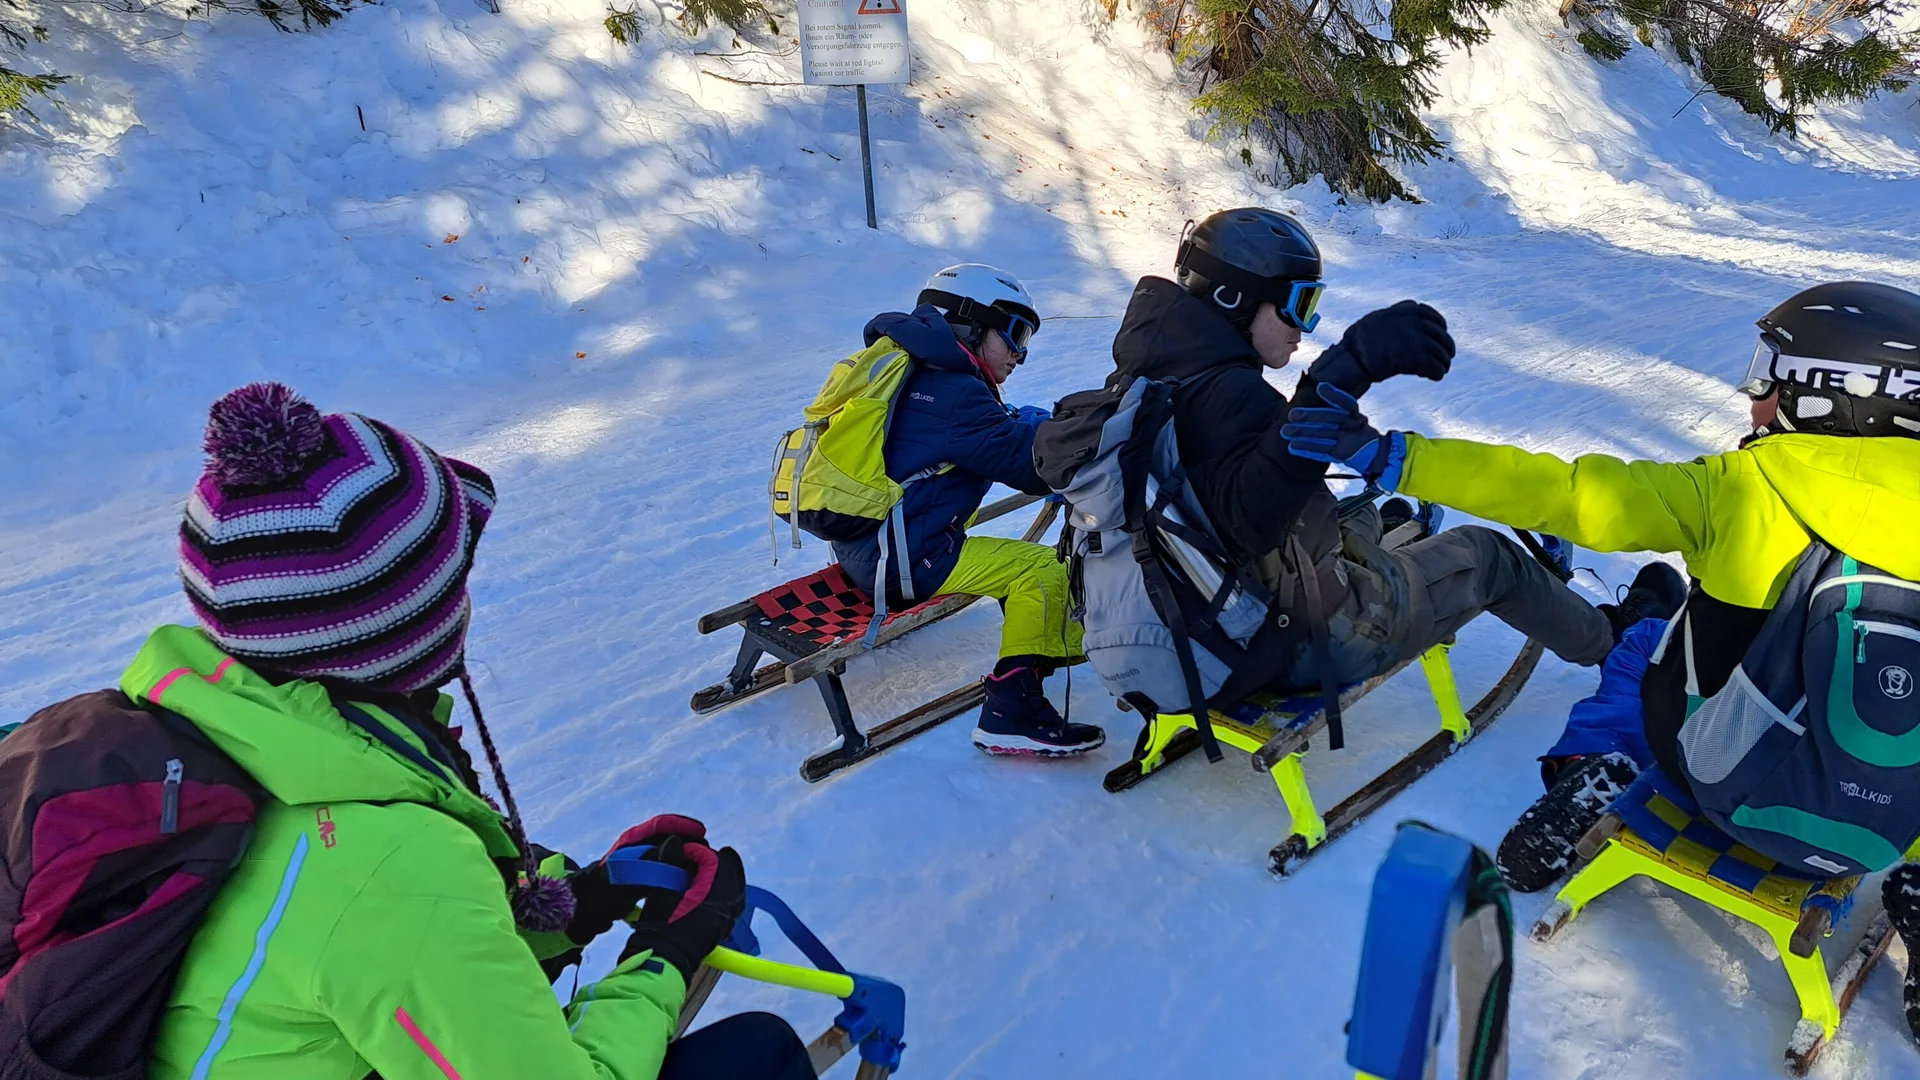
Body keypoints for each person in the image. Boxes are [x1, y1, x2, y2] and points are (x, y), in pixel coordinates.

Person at [57, 383, 815, 1079]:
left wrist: (580, 900)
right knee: (761, 1055)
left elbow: (377, 950)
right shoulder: (387, 864)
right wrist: (664, 956)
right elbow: (394, 917)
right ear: (415, 626)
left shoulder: (208, 737)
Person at [1280, 281, 1920, 906]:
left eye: (1768, 379)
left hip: (1727, 784)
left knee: (1644, 644)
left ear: (1824, 394)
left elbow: (1572, 494)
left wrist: (1395, 457)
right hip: (1885, 829)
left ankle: (1591, 761)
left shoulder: (1741, 489)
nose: (1752, 396)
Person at [1104, 208, 1668, 716]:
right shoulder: (1233, 396)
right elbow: (1252, 522)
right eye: (1298, 304)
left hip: (1184, 629)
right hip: (1286, 643)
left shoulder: (1137, 383)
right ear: (1235, 298)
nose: (1303, 328)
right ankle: (1613, 643)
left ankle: (1395, 536)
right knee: (1489, 555)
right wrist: (1332, 383)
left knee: (1360, 513)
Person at [832, 264, 1102, 758]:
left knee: (1007, 545)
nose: (1020, 354)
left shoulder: (912, 368)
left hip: (866, 546)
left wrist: (1022, 425)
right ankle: (1011, 712)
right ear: (971, 323)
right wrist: (1072, 443)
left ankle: (1034, 649)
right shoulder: (955, 391)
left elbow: (973, 432)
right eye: (1016, 334)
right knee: (1042, 570)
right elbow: (1028, 465)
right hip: (902, 561)